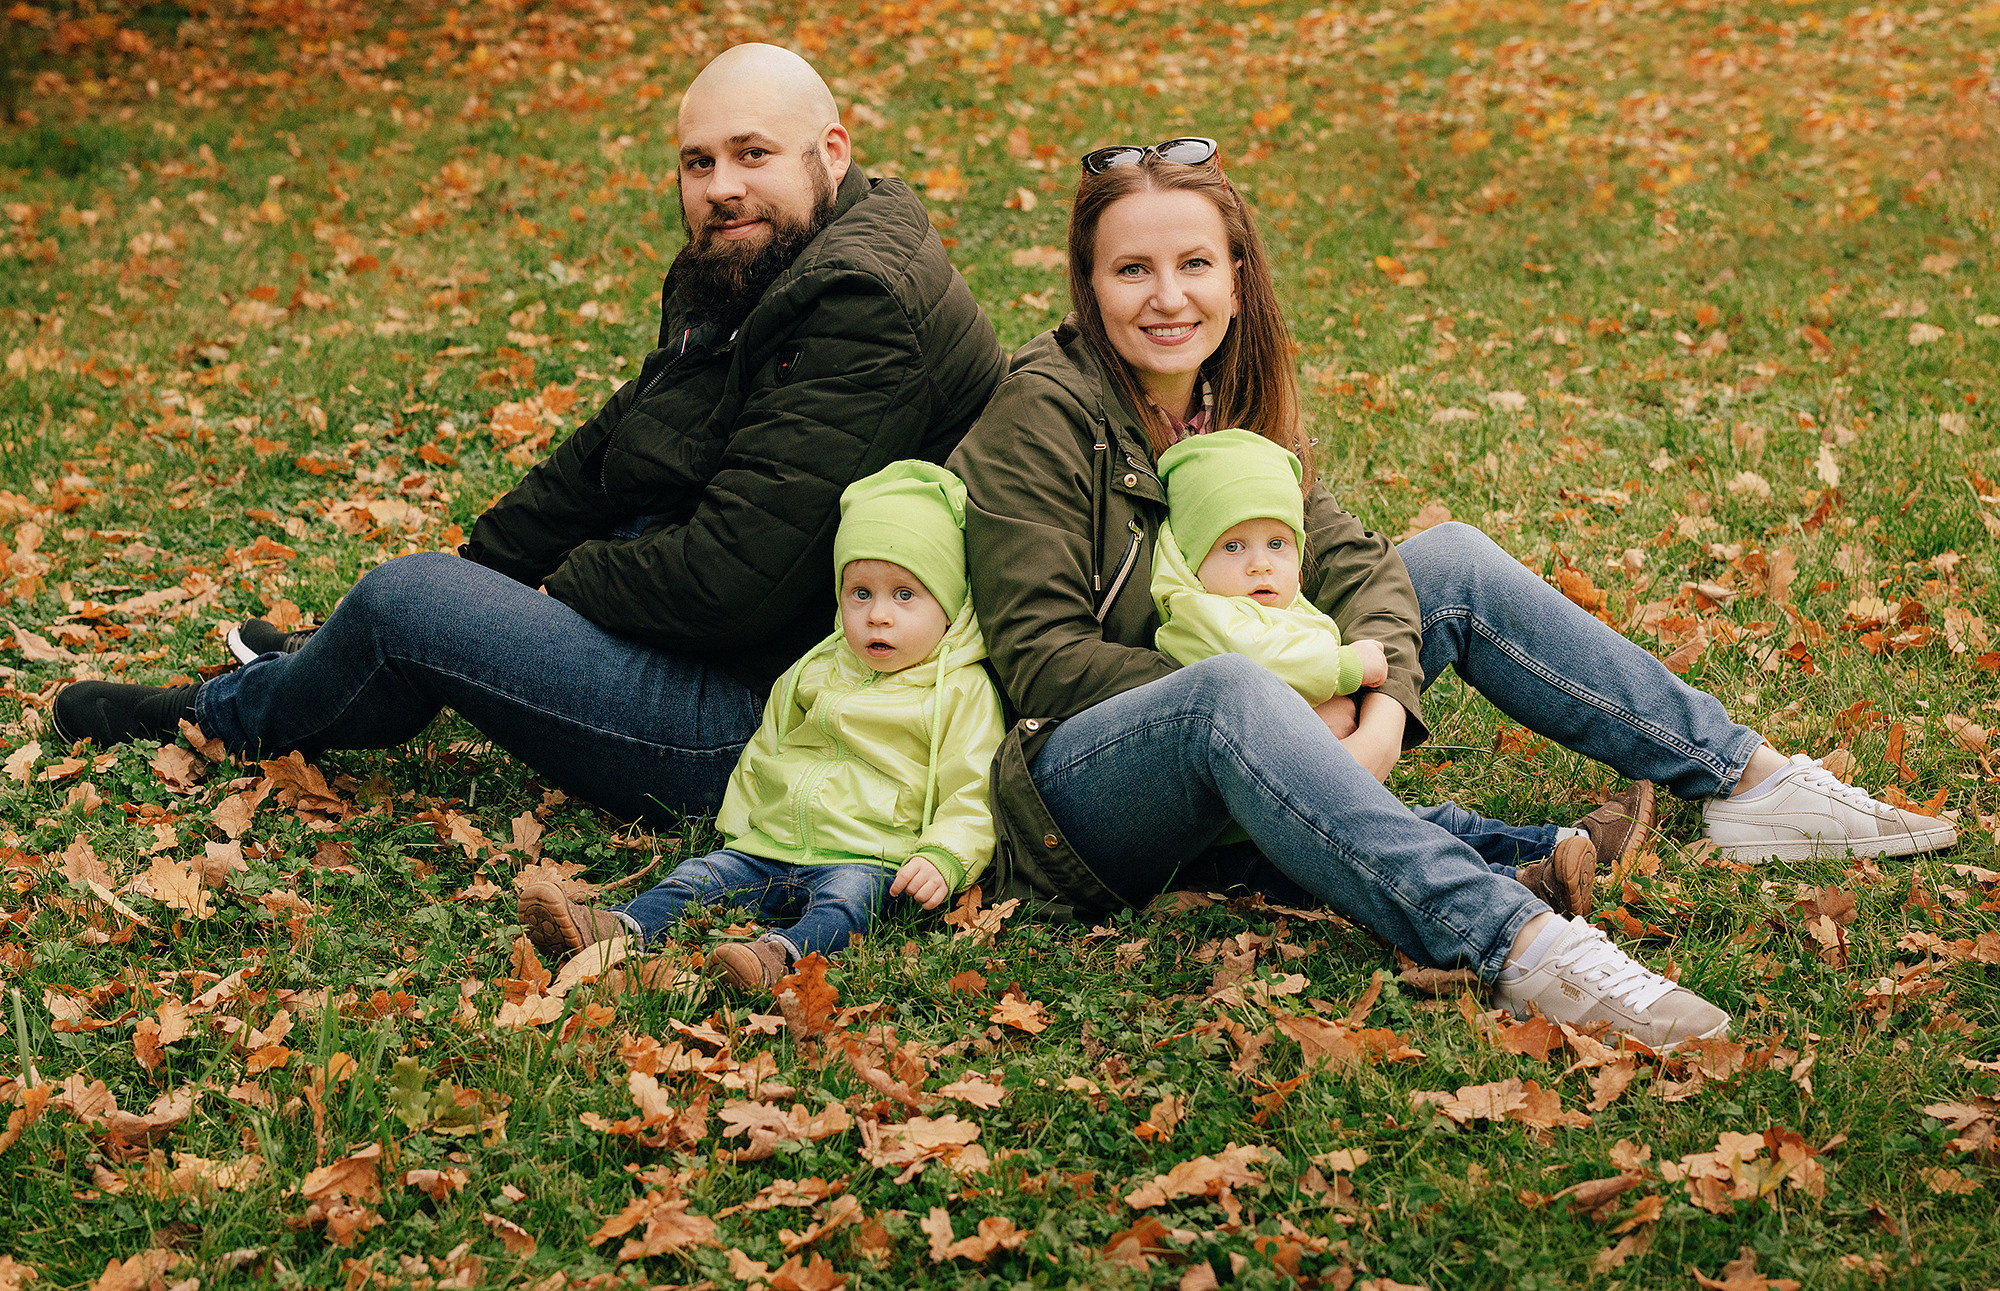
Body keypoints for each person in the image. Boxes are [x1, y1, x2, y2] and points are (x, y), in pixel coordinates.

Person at [949, 137, 1956, 1049]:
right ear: (1088, 285)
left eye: (1194, 264)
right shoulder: (1042, 415)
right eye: (1132, 269)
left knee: (1450, 560)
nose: (1168, 296)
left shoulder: (1225, 400)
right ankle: (1522, 945)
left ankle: (1746, 781)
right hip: (1079, 792)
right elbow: (1043, 662)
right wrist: (1290, 692)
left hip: (1262, 711)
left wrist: (1384, 706)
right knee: (1230, 691)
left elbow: (1357, 565)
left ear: (1237, 278)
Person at [49, 44, 1006, 826]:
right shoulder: (770, 255)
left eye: (753, 154)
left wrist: (548, 588)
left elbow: (734, 581)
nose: (722, 188)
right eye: (698, 162)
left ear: (830, 152)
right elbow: (617, 442)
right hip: (731, 643)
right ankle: (324, 666)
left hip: (763, 721)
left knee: (405, 601)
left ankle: (215, 714)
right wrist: (487, 573)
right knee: (445, 594)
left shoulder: (860, 302)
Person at [516, 462, 1005, 990]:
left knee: (848, 905)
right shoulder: (816, 668)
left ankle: (776, 957)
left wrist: (943, 856)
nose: (878, 615)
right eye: (861, 593)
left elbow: (974, 788)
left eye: (904, 595)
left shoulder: (960, 690)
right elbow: (765, 749)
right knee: (699, 877)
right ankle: (618, 927)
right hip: (770, 846)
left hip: (872, 858)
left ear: (950, 605)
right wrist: (741, 829)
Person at [1150, 426, 1603, 916]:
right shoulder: (1201, 614)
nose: (1260, 564)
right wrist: (1348, 667)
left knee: (1418, 825)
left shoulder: (1279, 602)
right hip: (1243, 832)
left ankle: (1561, 842)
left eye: (1277, 544)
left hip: (1310, 794)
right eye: (1233, 547)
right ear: (1192, 562)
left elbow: (1358, 572)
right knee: (1364, 861)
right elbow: (1268, 660)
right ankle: (1523, 885)